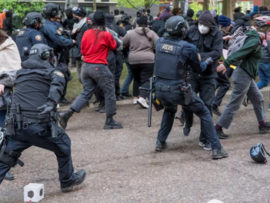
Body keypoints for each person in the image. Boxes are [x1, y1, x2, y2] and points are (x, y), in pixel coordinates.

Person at [0, 44, 86, 191]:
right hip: (37, 126)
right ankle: (67, 180)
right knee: (63, 144)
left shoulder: (20, 73)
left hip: (17, 128)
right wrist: (52, 102)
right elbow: (57, 86)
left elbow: (5, 78)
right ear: (46, 56)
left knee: (6, 158)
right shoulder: (53, 73)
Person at [154, 16, 228, 159]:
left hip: (159, 89)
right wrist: (206, 61)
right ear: (182, 30)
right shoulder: (188, 47)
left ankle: (160, 142)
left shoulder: (159, 42)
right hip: (177, 89)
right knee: (205, 112)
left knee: (169, 110)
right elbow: (198, 68)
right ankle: (216, 148)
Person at [59, 10, 123, 130]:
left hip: (86, 67)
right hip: (100, 67)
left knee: (85, 93)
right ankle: (109, 120)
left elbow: (82, 50)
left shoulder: (86, 33)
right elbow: (114, 46)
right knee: (109, 92)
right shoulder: (106, 34)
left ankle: (67, 114)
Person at [180, 11, 223, 148]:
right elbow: (182, 45)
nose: (202, 27)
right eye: (200, 24)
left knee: (207, 106)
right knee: (187, 101)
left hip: (208, 75)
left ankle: (205, 139)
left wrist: (199, 56)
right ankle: (188, 121)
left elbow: (217, 53)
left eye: (205, 25)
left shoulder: (217, 34)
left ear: (211, 26)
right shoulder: (192, 30)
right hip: (192, 74)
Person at [215, 30, 270, 138]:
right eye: (268, 34)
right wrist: (226, 63)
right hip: (243, 75)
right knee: (234, 103)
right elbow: (241, 53)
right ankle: (217, 128)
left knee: (258, 98)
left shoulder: (252, 39)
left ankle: (262, 124)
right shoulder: (254, 41)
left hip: (246, 74)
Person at [41, 3, 76, 105]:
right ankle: (56, 98)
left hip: (59, 54)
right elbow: (59, 40)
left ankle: (59, 97)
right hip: (54, 55)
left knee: (64, 74)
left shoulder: (54, 24)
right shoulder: (48, 25)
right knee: (60, 75)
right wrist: (71, 42)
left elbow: (62, 34)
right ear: (53, 13)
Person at [122, 16, 159, 108]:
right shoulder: (151, 33)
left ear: (137, 24)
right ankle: (142, 97)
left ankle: (136, 97)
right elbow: (158, 43)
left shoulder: (130, 33)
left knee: (137, 78)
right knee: (147, 79)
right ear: (147, 24)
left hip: (133, 60)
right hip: (148, 59)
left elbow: (123, 42)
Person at [0, 30, 22, 181]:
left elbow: (15, 71)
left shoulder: (8, 45)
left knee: (2, 130)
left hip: (2, 97)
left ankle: (1, 164)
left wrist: (3, 81)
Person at [105, 14, 126, 101]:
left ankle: (106, 96)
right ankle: (117, 94)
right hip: (117, 54)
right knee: (116, 75)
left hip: (107, 55)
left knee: (108, 76)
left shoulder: (103, 29)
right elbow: (126, 39)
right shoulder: (118, 28)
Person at [71, 7, 88, 84]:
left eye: (74, 14)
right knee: (79, 76)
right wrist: (73, 33)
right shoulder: (76, 25)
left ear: (79, 16)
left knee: (83, 76)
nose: (72, 16)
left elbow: (87, 41)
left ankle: (87, 93)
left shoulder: (85, 25)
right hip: (78, 53)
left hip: (84, 55)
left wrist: (84, 54)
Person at [256, 32, 270, 110]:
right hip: (267, 62)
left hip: (259, 62)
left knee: (264, 81)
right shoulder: (268, 34)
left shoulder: (259, 33)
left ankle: (249, 93)